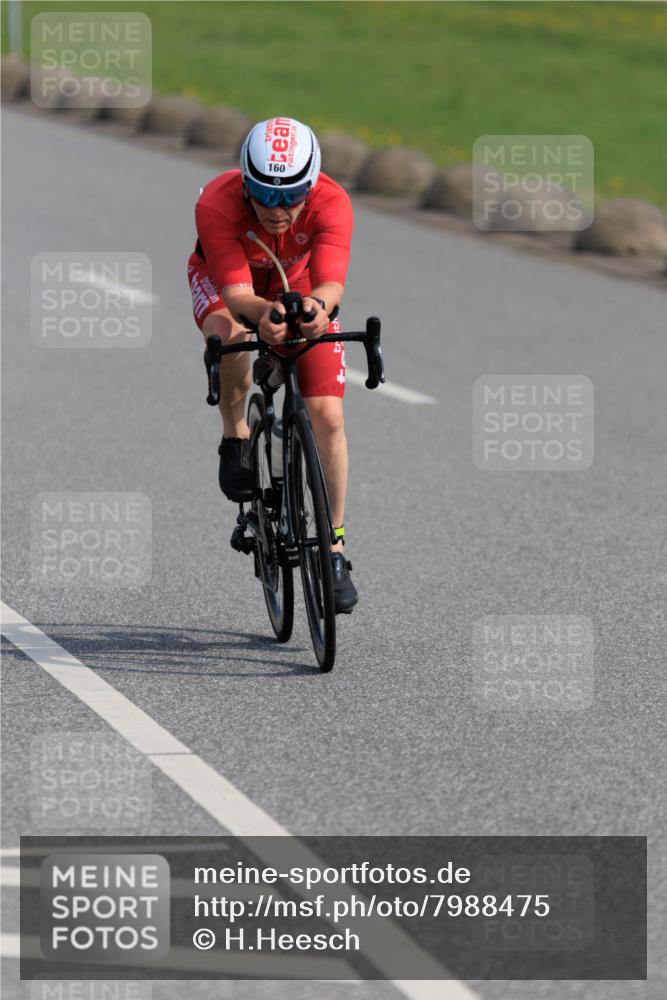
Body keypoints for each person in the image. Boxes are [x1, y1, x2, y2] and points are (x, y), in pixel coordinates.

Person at [187, 116, 358, 612]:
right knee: (230, 336)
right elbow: (238, 294)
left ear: (312, 185)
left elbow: (331, 284)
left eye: (292, 196)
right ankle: (236, 436)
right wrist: (262, 315)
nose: (278, 211)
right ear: (245, 183)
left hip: (299, 286)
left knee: (328, 416)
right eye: (264, 195)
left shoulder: (332, 202)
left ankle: (335, 549)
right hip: (227, 285)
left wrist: (317, 310)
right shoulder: (216, 203)